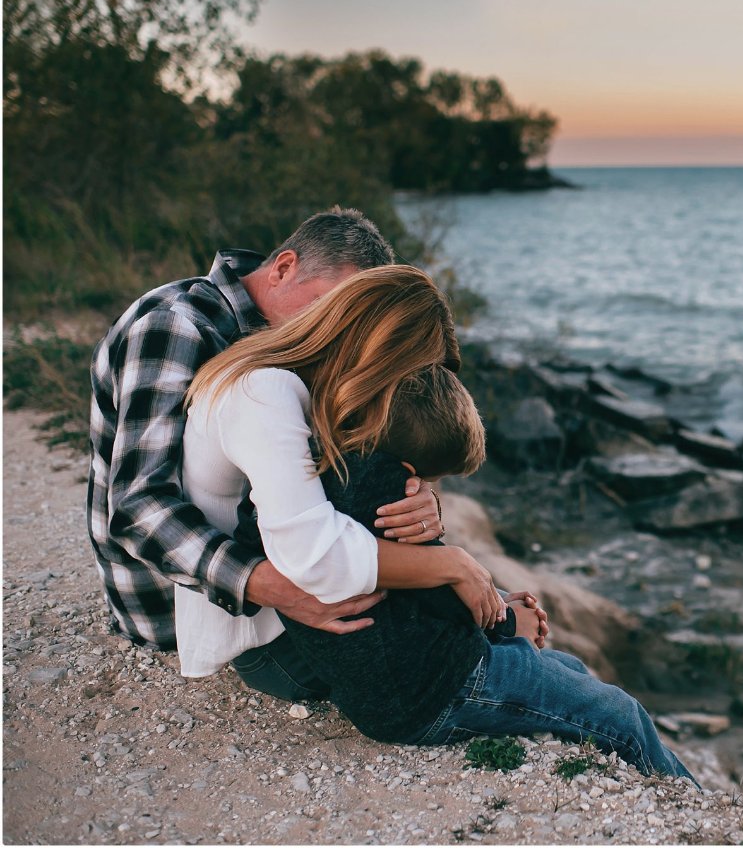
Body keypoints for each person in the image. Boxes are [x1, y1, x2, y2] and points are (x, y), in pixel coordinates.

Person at [181, 267, 695, 782]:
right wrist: (464, 577)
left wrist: (424, 502)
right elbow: (316, 557)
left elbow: (350, 525)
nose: (409, 391)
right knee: (615, 714)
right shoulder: (267, 395)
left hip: (349, 643)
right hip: (281, 645)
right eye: (409, 376)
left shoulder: (318, 416)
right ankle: (694, 811)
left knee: (569, 674)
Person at [86, 208, 484, 694]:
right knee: (440, 655)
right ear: (282, 268)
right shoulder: (176, 328)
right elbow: (136, 507)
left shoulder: (284, 343)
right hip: (182, 609)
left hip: (275, 559)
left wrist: (417, 499)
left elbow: (331, 469)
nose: (338, 330)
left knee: (446, 618)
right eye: (327, 306)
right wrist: (273, 586)